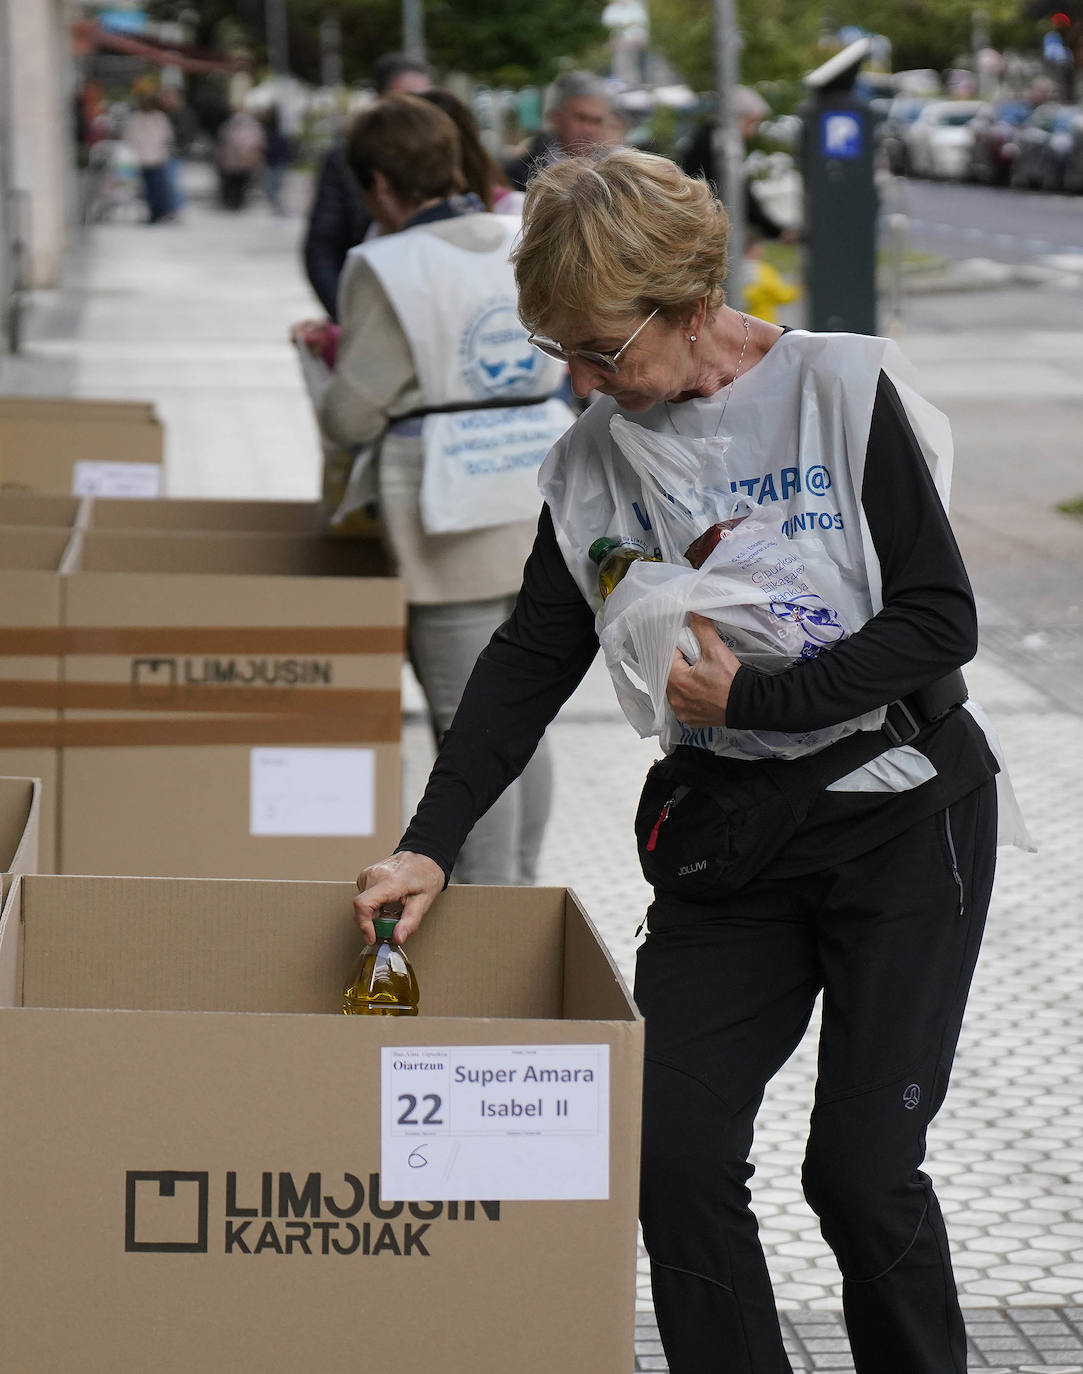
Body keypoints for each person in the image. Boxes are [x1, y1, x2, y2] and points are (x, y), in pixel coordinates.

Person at [351, 148, 1013, 1374]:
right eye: (564, 354)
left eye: (606, 350)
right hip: (729, 838)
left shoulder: (841, 391)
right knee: (665, 1149)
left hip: (900, 816)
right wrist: (428, 845)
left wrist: (765, 693)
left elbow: (940, 621)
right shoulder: (598, 456)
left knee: (861, 1178)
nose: (588, 382)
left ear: (694, 305)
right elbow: (525, 662)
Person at [317, 96, 574, 885]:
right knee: (518, 717)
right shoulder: (519, 235)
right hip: (537, 487)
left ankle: (493, 914)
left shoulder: (385, 267)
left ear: (382, 185)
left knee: (468, 730)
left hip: (445, 513)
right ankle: (519, 886)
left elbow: (352, 412)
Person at [303, 54, 432, 318]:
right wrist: (347, 315)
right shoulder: (345, 161)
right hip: (367, 306)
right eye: (407, 101)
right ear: (380, 102)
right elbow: (321, 248)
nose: (418, 112)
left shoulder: (443, 158)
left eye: (427, 101)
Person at [682, 84, 795, 241]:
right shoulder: (721, 144)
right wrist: (774, 230)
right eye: (751, 122)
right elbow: (738, 190)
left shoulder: (710, 137)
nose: (752, 131)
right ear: (738, 117)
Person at [503, 70, 612, 190]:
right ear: (556, 117)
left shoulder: (616, 174)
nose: (589, 129)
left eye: (597, 121)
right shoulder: (518, 174)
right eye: (581, 118)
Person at [124, 89, 174, 224]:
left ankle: (159, 212)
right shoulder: (139, 119)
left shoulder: (157, 118)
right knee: (152, 188)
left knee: (156, 188)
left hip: (154, 158)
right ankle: (155, 213)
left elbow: (166, 137)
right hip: (148, 159)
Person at [742, 227, 801, 324]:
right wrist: (798, 290)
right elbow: (782, 295)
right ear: (754, 248)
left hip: (740, 322)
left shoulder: (734, 270)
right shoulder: (763, 270)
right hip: (763, 322)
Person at [216, 107, 265, 211]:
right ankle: (235, 202)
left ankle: (234, 202)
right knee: (237, 183)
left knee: (236, 183)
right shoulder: (253, 128)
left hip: (235, 162)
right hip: (239, 162)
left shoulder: (229, 126)